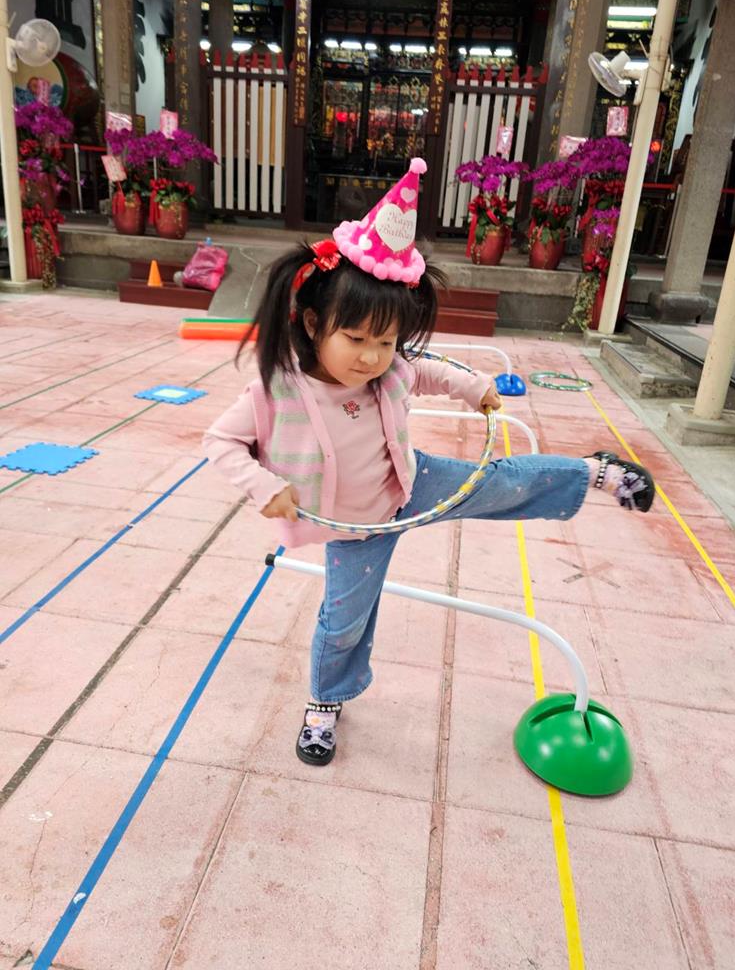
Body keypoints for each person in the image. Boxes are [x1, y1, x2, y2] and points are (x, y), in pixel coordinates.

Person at [202, 159, 655, 767]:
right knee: (344, 620)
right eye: (355, 339)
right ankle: (325, 703)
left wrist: (475, 387)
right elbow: (219, 442)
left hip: (408, 486)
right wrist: (262, 485)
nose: (371, 358)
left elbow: (431, 369)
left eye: (385, 341)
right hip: (353, 528)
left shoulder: (390, 368)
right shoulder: (275, 389)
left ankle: (600, 474)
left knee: (499, 483)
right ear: (314, 323)